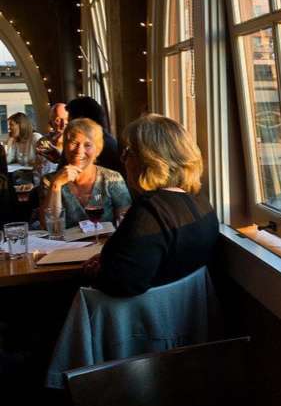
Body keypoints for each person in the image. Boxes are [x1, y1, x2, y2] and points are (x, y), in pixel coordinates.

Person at [88, 113, 219, 297]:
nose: (123, 160)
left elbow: (121, 284)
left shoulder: (150, 211)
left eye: (127, 153)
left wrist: (98, 271)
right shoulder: (201, 202)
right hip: (184, 309)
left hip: (139, 313)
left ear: (148, 161)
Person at [41, 118, 131, 229]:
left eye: (87, 145)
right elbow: (49, 227)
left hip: (106, 240)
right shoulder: (49, 181)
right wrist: (56, 185)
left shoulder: (112, 179)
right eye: (74, 143)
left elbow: (126, 223)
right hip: (66, 241)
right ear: (65, 147)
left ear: (97, 150)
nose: (79, 151)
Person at [65, 96, 122, 172]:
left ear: (81, 121)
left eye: (70, 120)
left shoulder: (103, 145)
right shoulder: (109, 141)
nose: (67, 124)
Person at [35, 102, 69, 177]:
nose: (63, 124)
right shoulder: (44, 142)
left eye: (67, 119)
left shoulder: (77, 142)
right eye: (58, 120)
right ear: (50, 123)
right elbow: (40, 172)